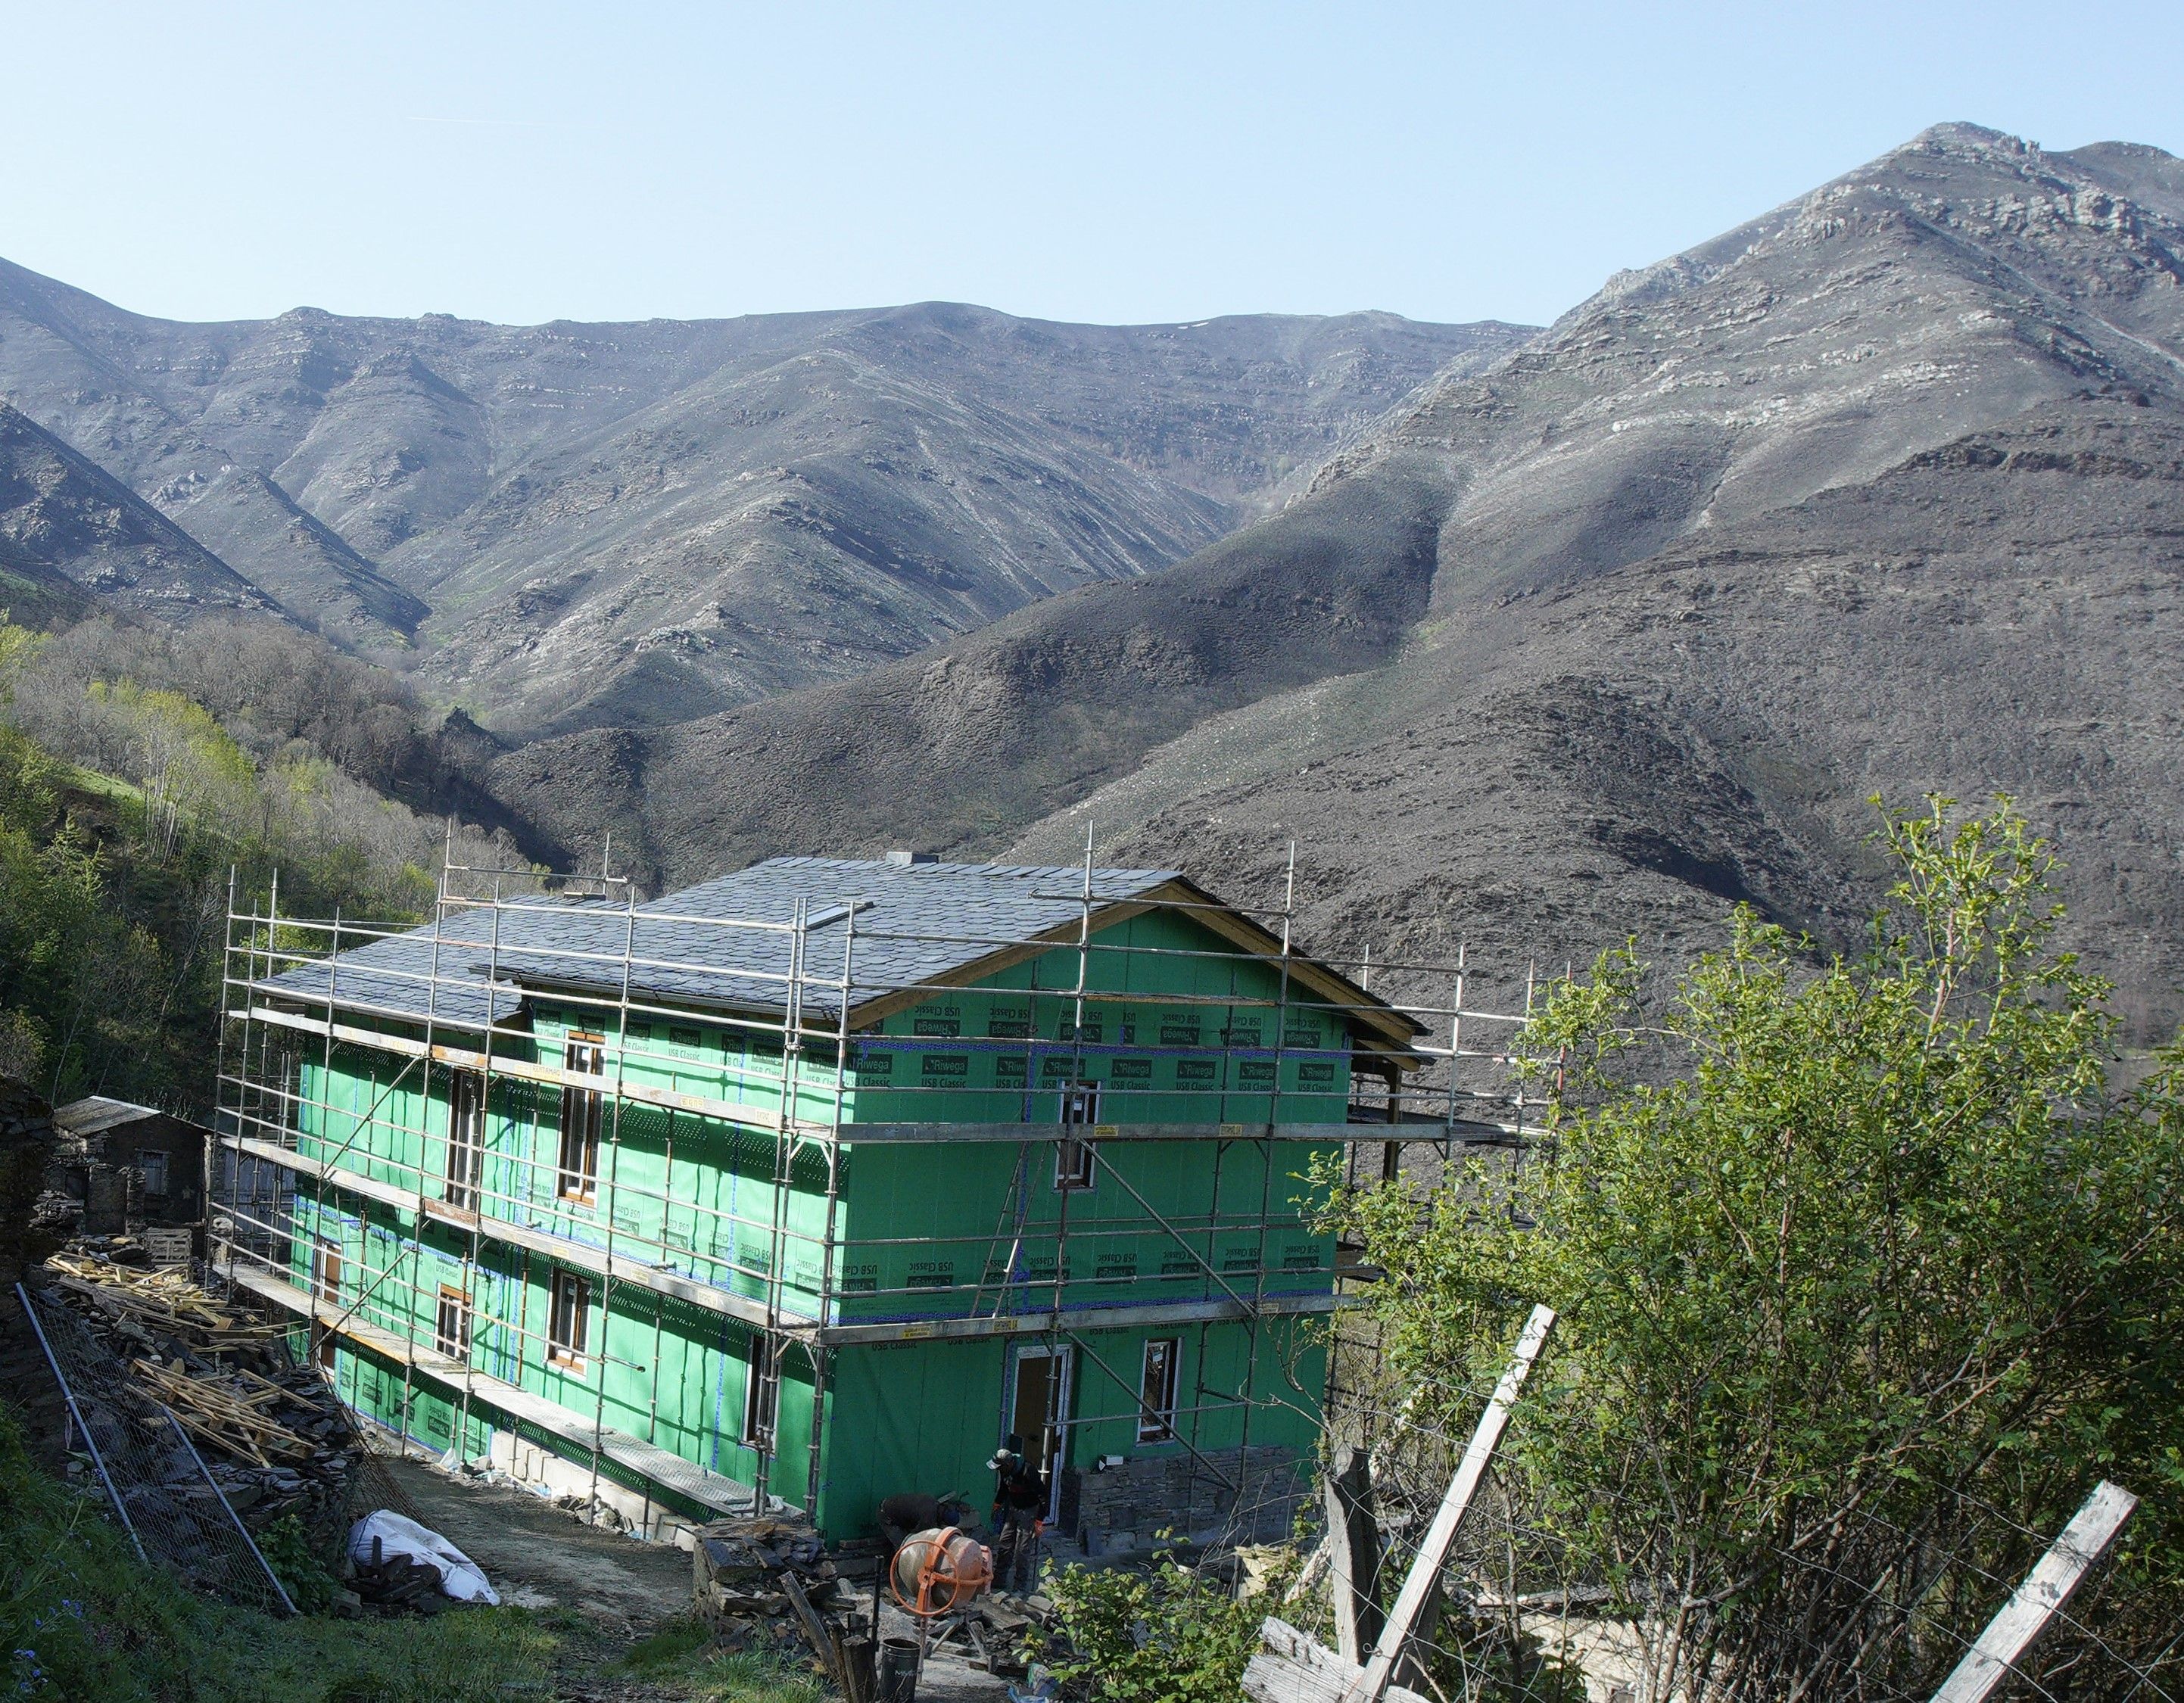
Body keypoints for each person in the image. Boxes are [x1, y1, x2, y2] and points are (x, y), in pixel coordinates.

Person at [987, 1434, 1045, 1596]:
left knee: (1022, 1550)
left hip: (1029, 1511)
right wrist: (997, 1504)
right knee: (1005, 1543)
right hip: (1013, 1508)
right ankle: (999, 1581)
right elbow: (1004, 1488)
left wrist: (1040, 1521)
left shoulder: (1028, 1471)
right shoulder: (1005, 1470)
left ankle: (1020, 1586)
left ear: (1008, 1463)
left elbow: (1043, 1496)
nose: (998, 1470)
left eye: (999, 1468)